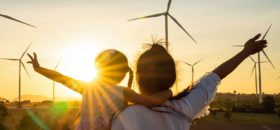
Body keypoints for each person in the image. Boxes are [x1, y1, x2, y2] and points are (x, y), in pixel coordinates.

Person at [111, 34, 267, 130]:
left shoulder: (125, 115)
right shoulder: (184, 107)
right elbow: (216, 76)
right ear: (171, 77)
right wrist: (245, 52)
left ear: (139, 78)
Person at [27, 49, 172, 130]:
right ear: (122, 73)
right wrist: (168, 92)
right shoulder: (122, 92)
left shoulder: (86, 87)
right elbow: (148, 101)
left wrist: (38, 69)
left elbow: (60, 77)